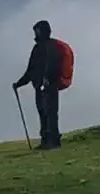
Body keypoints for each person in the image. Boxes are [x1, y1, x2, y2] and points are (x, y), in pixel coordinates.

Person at [15, 17, 70, 150]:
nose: (36, 34)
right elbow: (30, 71)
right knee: (46, 113)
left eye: (37, 31)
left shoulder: (44, 47)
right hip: (42, 86)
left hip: (48, 86)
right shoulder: (42, 47)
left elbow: (47, 66)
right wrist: (19, 83)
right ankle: (48, 140)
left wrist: (46, 79)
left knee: (49, 113)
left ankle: (52, 141)